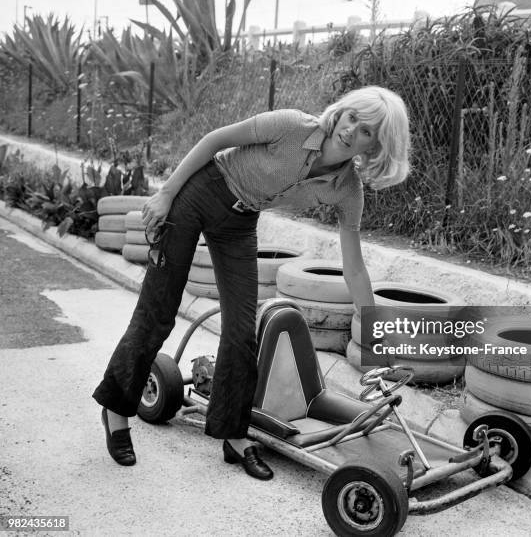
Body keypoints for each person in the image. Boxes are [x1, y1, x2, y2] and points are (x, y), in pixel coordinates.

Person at [92, 85, 411, 480]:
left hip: (241, 223)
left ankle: (234, 435)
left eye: (366, 131)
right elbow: (214, 141)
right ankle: (117, 410)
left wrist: (377, 332)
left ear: (376, 145)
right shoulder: (292, 126)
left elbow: (355, 268)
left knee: (242, 331)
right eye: (352, 118)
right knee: (158, 311)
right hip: (199, 194)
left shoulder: (347, 190)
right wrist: (166, 193)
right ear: (341, 112)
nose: (351, 131)